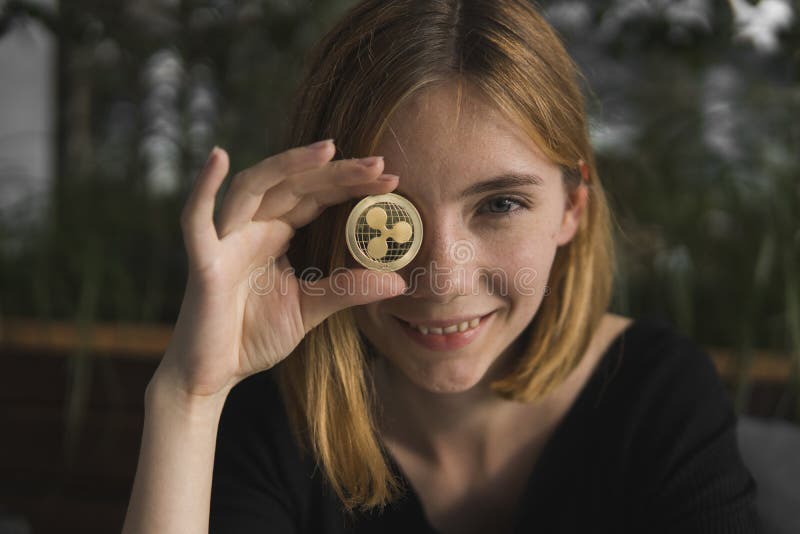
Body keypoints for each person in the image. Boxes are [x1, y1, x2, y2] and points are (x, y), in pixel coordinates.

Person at [121, 1, 762, 533]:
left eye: (501, 204)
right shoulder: (272, 421)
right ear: (322, 216)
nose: (444, 278)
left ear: (572, 208)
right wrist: (189, 396)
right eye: (387, 217)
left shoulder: (656, 393)